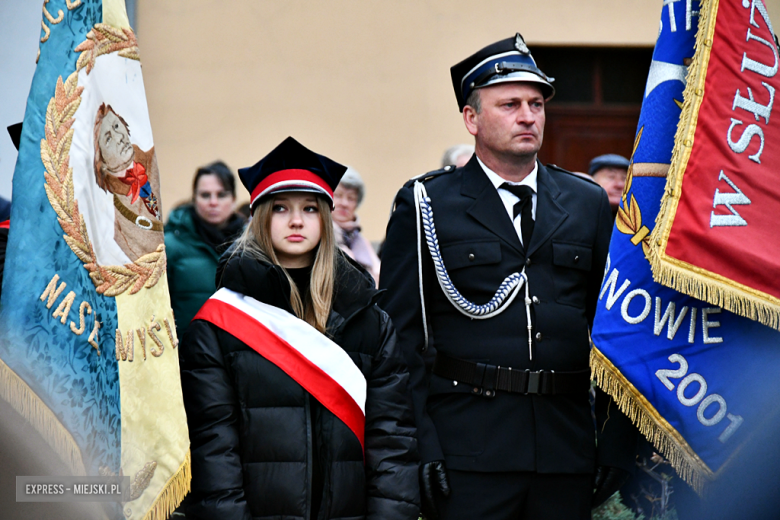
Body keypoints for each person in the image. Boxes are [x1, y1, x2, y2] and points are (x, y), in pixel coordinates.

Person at [379, 33, 637, 520]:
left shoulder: (584, 202)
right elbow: (399, 342)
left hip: (565, 448)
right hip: (467, 449)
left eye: (536, 104)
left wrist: (616, 439)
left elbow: (615, 328)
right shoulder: (429, 203)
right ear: (471, 119)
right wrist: (420, 443)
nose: (528, 116)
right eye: (510, 104)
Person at [180, 137, 419, 520]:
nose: (296, 220)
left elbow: (392, 440)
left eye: (310, 208)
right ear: (260, 217)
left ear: (325, 218)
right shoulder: (219, 324)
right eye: (280, 208)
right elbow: (214, 447)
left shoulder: (368, 318)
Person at [165, 161, 245, 336]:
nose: (213, 202)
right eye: (205, 195)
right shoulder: (168, 246)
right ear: (194, 199)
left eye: (221, 195)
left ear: (233, 199)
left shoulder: (251, 245)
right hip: (186, 348)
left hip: (239, 347)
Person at [93, 103, 163, 261]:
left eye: (117, 126)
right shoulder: (111, 215)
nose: (119, 137)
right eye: (108, 138)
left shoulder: (156, 159)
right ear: (101, 162)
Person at [333, 167, 381, 285]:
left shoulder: (361, 241)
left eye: (351, 198)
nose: (344, 203)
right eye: (338, 195)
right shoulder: (319, 235)